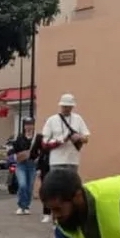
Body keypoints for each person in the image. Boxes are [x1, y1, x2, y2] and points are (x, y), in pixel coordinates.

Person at [39, 94, 90, 223]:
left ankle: (72, 214)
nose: (67, 109)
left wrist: (79, 138)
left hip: (72, 159)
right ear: (60, 106)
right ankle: (51, 213)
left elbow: (86, 138)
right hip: (56, 160)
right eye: (64, 106)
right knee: (53, 187)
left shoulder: (78, 119)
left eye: (69, 107)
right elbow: (44, 142)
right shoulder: (51, 120)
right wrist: (61, 140)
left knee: (72, 188)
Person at [9, 117, 38, 215]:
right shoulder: (20, 138)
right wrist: (21, 154)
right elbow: (14, 151)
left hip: (32, 164)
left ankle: (26, 206)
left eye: (31, 124)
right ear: (24, 126)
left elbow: (41, 151)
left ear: (34, 126)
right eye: (27, 124)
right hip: (21, 164)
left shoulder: (36, 138)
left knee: (29, 187)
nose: (29, 126)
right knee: (22, 184)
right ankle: (21, 205)